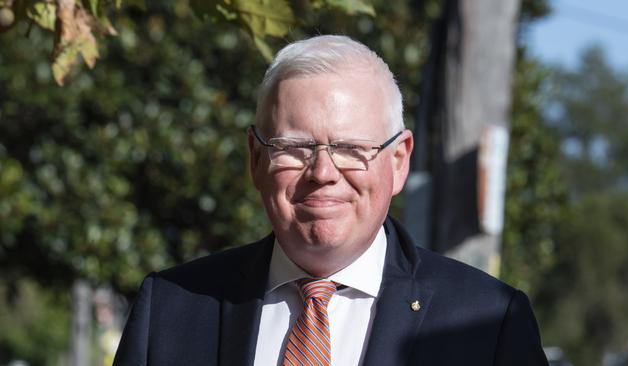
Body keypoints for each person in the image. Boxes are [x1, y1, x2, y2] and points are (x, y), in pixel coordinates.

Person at [113, 35, 549, 366]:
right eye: (294, 147)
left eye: (351, 149)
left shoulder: (489, 322)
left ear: (398, 162)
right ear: (256, 158)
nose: (322, 173)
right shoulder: (170, 310)